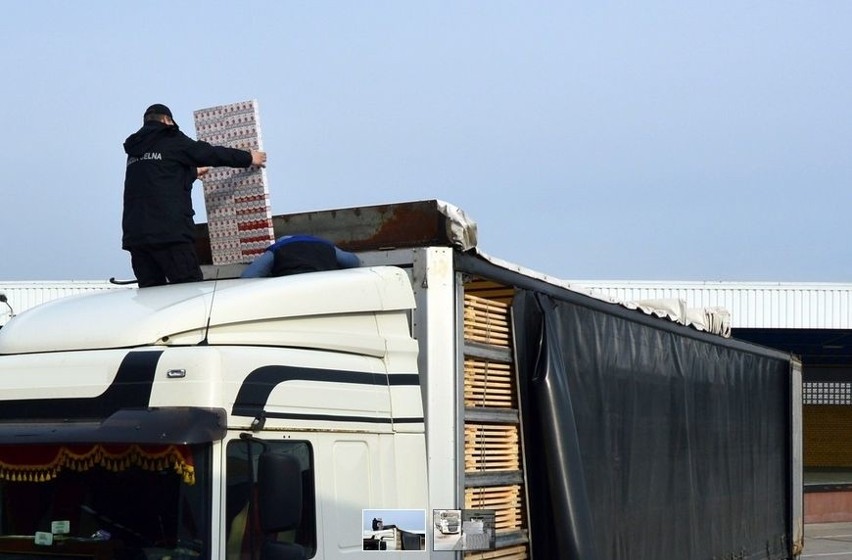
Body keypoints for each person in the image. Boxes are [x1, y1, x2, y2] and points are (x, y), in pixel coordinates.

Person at [122, 103, 267, 288]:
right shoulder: (170, 138)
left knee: (152, 297)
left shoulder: (135, 149)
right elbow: (210, 153)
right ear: (167, 120)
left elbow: (159, 177)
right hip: (170, 236)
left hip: (137, 239)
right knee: (188, 292)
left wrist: (191, 173)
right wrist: (248, 157)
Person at [241, 235, 360, 278]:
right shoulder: (325, 244)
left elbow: (248, 276)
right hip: (325, 283)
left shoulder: (278, 247)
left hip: (291, 284)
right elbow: (354, 262)